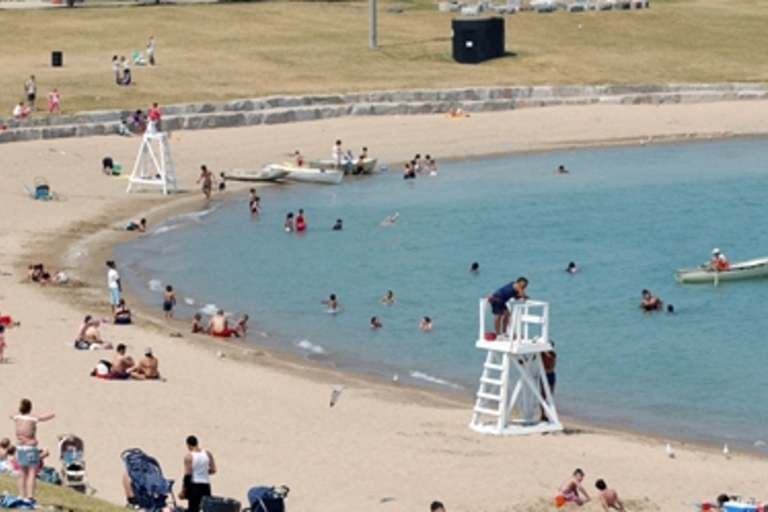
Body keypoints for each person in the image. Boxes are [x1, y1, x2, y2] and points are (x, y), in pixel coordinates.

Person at [10, 398, 54, 502]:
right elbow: (50, 415)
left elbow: (10, 414)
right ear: (30, 408)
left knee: (21, 473)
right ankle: (30, 497)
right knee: (31, 473)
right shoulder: (33, 419)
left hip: (20, 448)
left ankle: (21, 495)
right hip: (30, 449)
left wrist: (20, 412)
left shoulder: (17, 417)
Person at [179, 435, 216, 512]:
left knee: (193, 508)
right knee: (206, 508)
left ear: (188, 445)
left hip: (194, 485)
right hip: (206, 484)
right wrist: (203, 472)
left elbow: (187, 476)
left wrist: (183, 491)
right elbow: (213, 470)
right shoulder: (207, 454)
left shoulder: (189, 457)